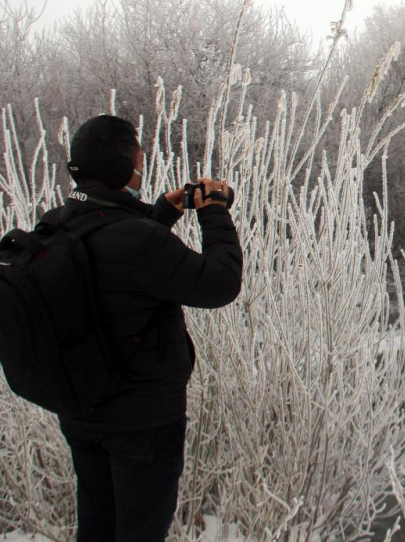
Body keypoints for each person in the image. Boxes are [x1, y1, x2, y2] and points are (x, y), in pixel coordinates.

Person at [52, 114, 242, 541]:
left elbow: (118, 263)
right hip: (143, 424)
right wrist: (214, 212)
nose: (143, 169)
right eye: (139, 162)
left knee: (97, 527)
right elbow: (220, 283)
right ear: (124, 170)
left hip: (81, 413)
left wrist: (162, 212)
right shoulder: (135, 240)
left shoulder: (60, 223)